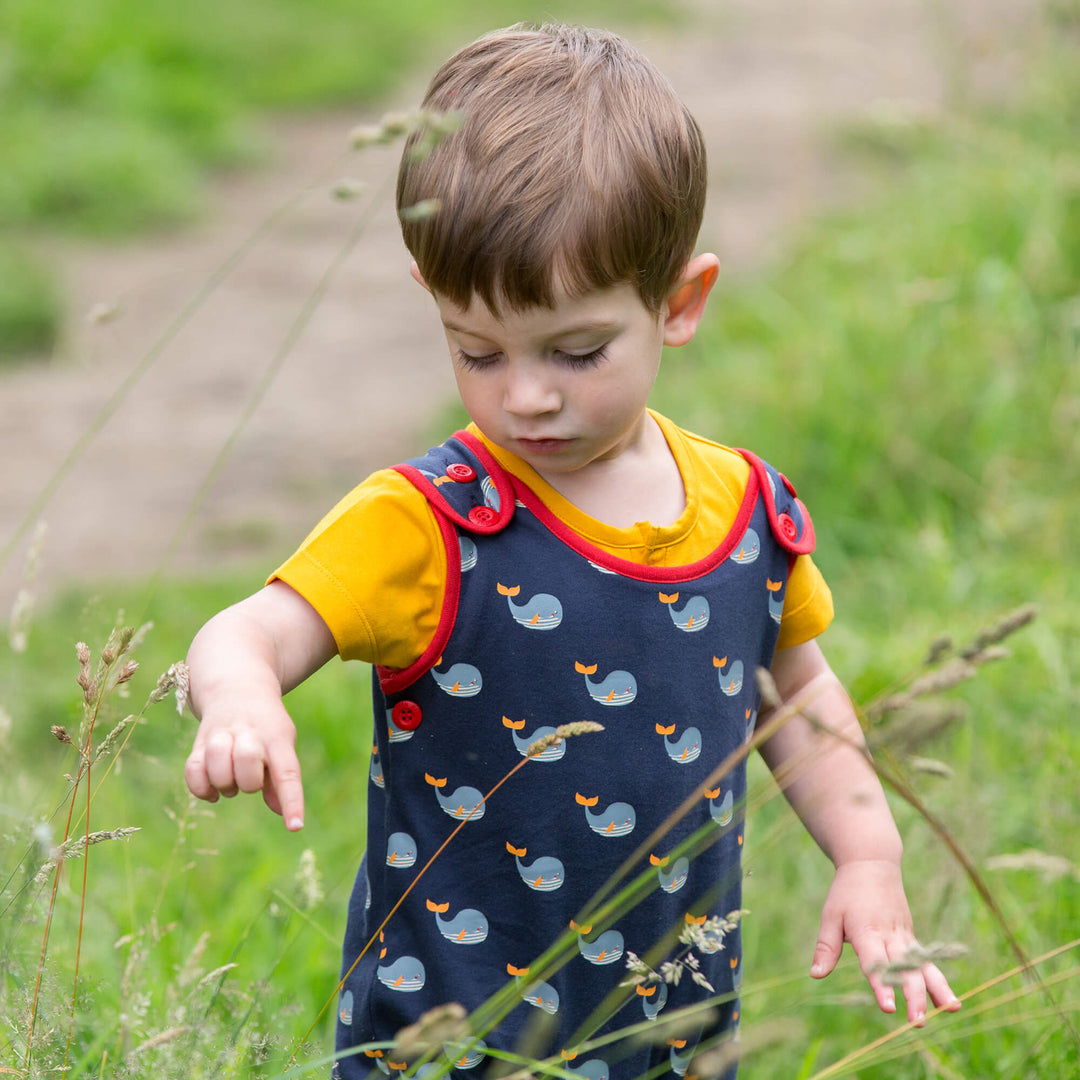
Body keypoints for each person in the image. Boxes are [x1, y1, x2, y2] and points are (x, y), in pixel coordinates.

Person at [183, 22, 961, 1079]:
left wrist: (870, 855)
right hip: (449, 1041)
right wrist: (239, 697)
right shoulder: (430, 521)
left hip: (671, 1034)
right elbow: (251, 630)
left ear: (679, 305)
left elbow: (798, 693)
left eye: (576, 351)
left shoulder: (744, 513)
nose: (527, 395)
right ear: (435, 303)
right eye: (478, 351)